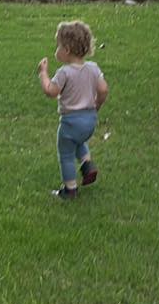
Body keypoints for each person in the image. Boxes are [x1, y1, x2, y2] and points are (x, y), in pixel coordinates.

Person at [38, 20, 109, 200]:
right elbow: (103, 90)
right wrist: (97, 104)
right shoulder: (93, 68)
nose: (56, 49)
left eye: (58, 46)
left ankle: (70, 189)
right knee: (79, 141)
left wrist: (43, 73)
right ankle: (87, 165)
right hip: (89, 120)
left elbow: (50, 91)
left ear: (67, 50)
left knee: (66, 153)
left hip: (71, 122)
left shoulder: (64, 72)